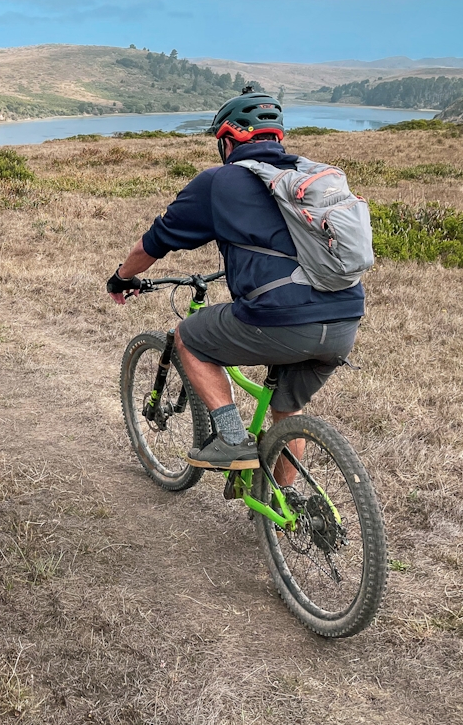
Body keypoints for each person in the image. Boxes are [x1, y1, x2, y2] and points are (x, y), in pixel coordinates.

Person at [106, 89, 364, 476]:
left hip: (281, 319)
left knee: (188, 338)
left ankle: (231, 440)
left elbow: (155, 241)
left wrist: (122, 277)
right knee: (286, 409)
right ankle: (284, 512)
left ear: (228, 139)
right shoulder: (304, 177)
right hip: (345, 319)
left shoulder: (219, 181)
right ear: (275, 136)